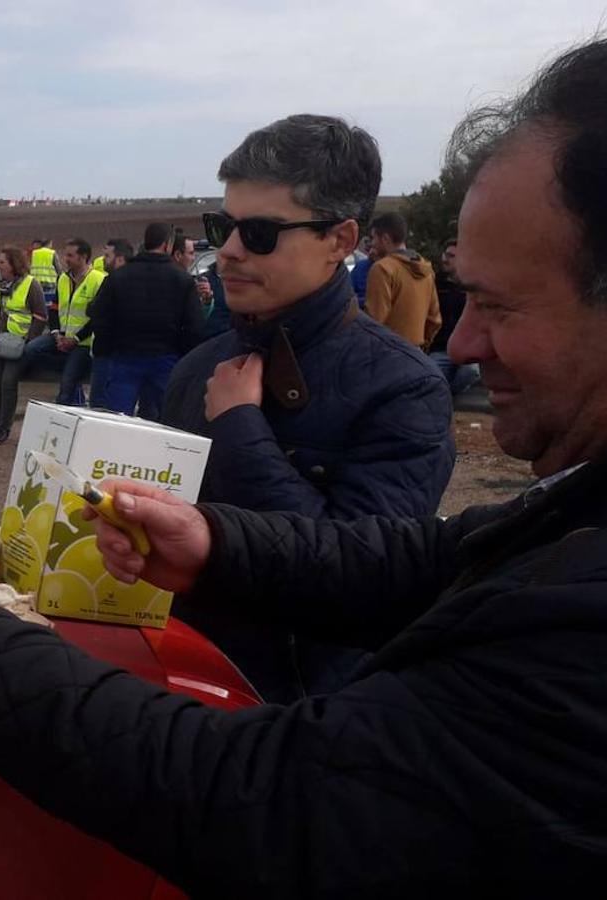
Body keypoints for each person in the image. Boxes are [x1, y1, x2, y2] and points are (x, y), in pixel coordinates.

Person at [0, 31, 607, 895]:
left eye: (500, 305)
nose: (463, 344)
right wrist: (214, 542)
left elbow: (284, 800)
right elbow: (436, 558)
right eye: (226, 224)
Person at [160, 115, 455, 701]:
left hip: (301, 713)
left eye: (262, 233)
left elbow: (359, 578)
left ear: (341, 241)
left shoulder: (404, 388)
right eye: (223, 226)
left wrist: (241, 427)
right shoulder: (199, 367)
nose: (228, 253)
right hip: (177, 686)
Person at [81, 223, 201, 418]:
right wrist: (181, 354)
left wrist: (108, 349)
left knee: (117, 420)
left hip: (124, 358)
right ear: (167, 245)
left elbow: (99, 315)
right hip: (166, 359)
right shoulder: (182, 279)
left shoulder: (119, 277)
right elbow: (194, 326)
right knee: (167, 421)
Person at [23, 239, 104, 406]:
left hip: (84, 343)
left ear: (83, 257)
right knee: (31, 350)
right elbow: (54, 308)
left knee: (66, 385)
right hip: (62, 336)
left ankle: (65, 404)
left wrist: (75, 339)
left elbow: (98, 318)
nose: (66, 259)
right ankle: (70, 366)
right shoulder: (63, 279)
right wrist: (56, 334)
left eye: (70, 255)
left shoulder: (98, 280)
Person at [0, 245, 47, 445]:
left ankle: (3, 428)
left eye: (2, 262)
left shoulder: (30, 285)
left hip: (16, 346)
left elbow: (40, 315)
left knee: (8, 383)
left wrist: (28, 340)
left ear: (13, 264)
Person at [364, 211, 442, 349]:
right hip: (416, 353)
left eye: (373, 238)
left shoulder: (382, 269)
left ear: (386, 238)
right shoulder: (426, 271)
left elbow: (374, 321)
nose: (372, 244)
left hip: (387, 353)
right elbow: (434, 320)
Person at [431, 240, 480, 393]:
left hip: (466, 348)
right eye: (445, 254)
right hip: (440, 348)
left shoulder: (472, 287)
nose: (445, 259)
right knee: (432, 374)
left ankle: (449, 395)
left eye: (451, 256)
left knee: (471, 371)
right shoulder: (434, 283)